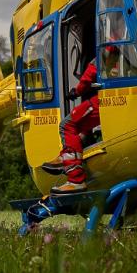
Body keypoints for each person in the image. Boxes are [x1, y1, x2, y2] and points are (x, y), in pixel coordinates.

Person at [40, 53, 105, 193]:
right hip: (116, 95)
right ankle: (66, 157)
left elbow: (92, 70)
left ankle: (75, 179)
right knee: (80, 125)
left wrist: (78, 90)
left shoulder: (110, 41)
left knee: (67, 125)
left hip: (106, 97)